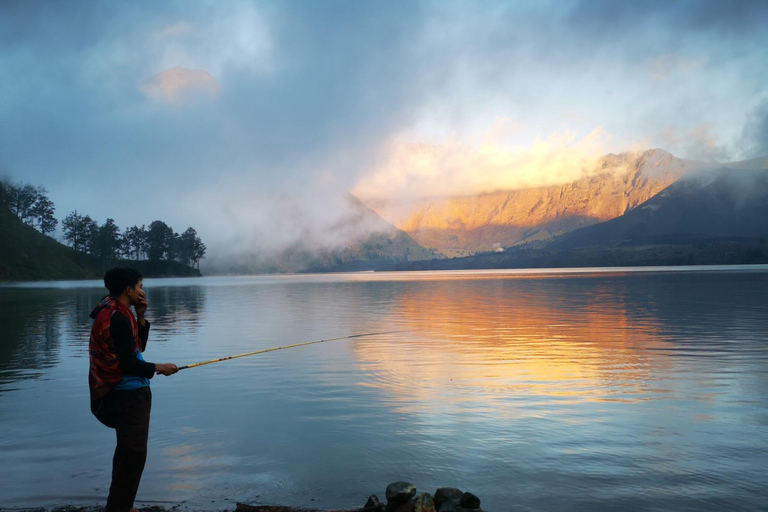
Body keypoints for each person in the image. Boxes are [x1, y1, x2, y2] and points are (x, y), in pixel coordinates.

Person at [88, 267, 178, 512]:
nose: (142, 290)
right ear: (129, 289)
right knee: (133, 454)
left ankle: (121, 505)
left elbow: (137, 348)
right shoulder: (116, 317)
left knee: (128, 452)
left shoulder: (114, 310)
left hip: (117, 392)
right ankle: (119, 508)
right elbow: (129, 363)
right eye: (139, 286)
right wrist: (160, 367)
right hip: (126, 395)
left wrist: (141, 315)